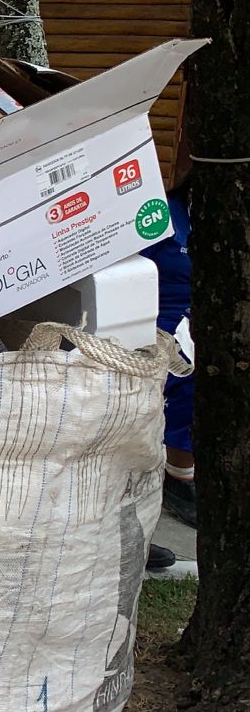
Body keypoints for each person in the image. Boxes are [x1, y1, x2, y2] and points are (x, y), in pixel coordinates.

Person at [141, 183, 195, 528]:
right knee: (187, 373)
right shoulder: (161, 214)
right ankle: (179, 473)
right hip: (162, 319)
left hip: (208, 316)